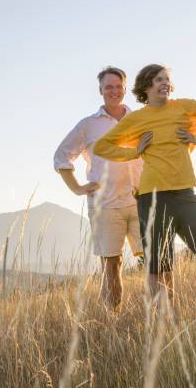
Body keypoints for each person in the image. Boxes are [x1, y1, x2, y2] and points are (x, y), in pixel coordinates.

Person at [94, 64, 196, 304]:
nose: (165, 83)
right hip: (153, 198)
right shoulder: (136, 119)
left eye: (167, 79)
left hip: (186, 194)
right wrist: (135, 151)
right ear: (146, 86)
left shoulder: (184, 107)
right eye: (159, 79)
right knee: (159, 268)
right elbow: (102, 146)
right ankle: (163, 322)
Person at [53, 66, 143, 311]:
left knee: (154, 261)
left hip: (142, 201)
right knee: (111, 265)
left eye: (118, 86)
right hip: (105, 206)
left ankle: (159, 317)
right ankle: (111, 320)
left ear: (126, 88)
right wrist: (77, 188)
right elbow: (61, 156)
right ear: (101, 91)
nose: (114, 91)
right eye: (108, 87)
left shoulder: (141, 120)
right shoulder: (88, 125)